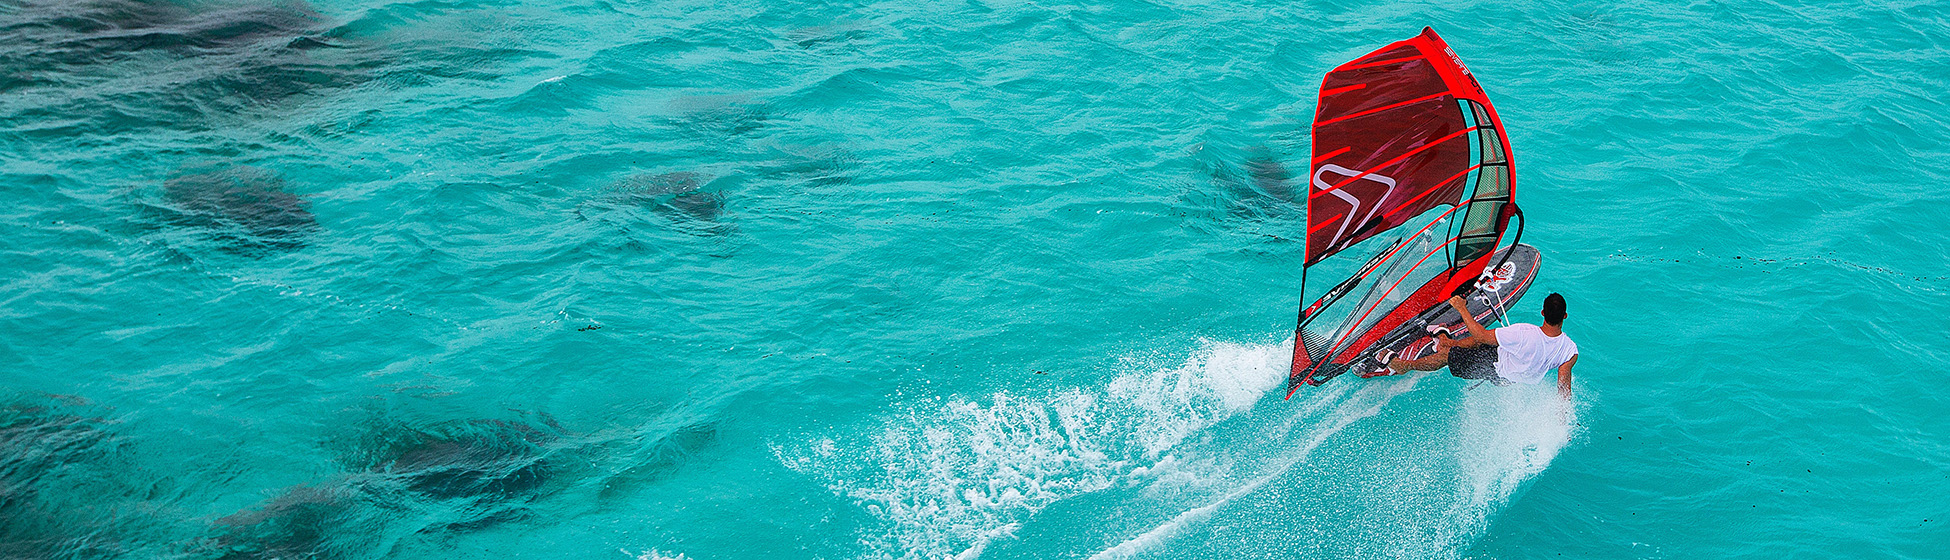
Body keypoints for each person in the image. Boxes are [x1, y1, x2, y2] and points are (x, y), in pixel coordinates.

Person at [1388, 293, 1578, 399]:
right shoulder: (1570, 350)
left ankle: (1405, 366)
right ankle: (1448, 342)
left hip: (1496, 368)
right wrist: (1562, 422)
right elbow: (1563, 388)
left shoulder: (1524, 332)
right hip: (1511, 378)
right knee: (1493, 340)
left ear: (1542, 313)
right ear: (1565, 316)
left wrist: (1461, 307)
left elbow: (1480, 335)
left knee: (1451, 356)